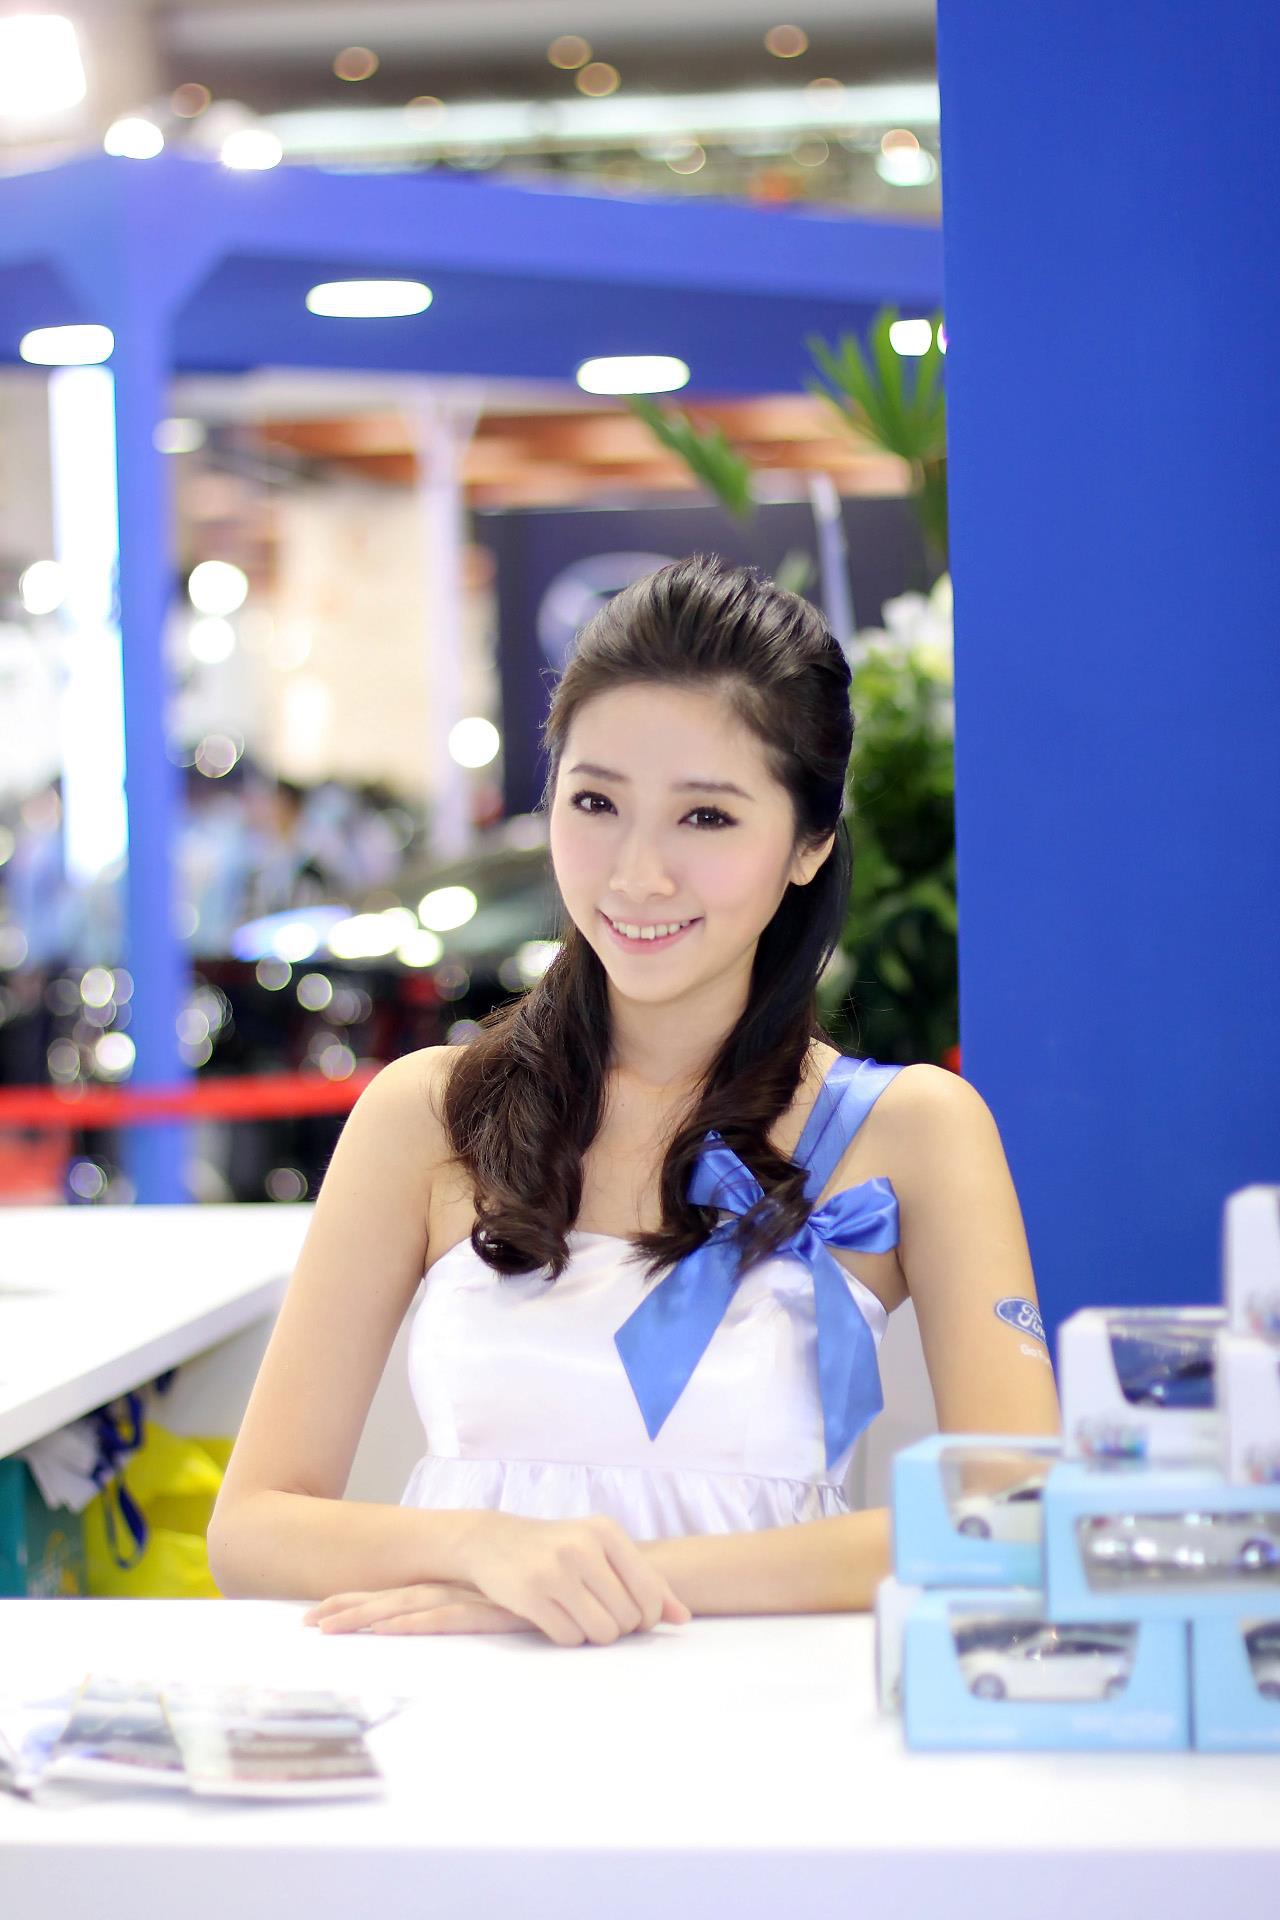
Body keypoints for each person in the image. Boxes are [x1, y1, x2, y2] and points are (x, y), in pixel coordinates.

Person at [208, 554, 1060, 1648]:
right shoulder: (428, 1113)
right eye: (596, 803)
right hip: (461, 1715)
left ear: (808, 844)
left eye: (705, 817)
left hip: (759, 1716)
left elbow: (1017, 1518)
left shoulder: (913, 1131)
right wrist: (483, 1546)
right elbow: (254, 1528)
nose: (637, 874)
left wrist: (607, 1577)